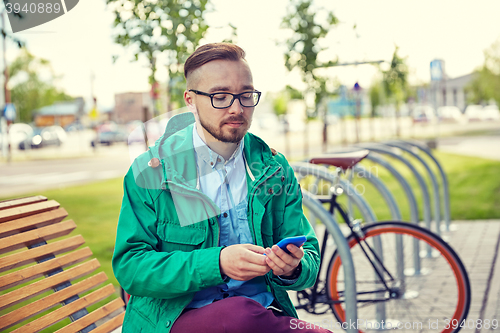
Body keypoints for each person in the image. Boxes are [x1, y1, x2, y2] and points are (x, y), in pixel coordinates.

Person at [112, 43, 331, 333]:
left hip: (259, 314)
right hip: (176, 319)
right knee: (239, 314)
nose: (237, 108)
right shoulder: (151, 171)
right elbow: (131, 267)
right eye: (220, 96)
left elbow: (310, 259)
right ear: (190, 100)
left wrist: (292, 267)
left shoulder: (275, 169)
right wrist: (217, 263)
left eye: (246, 95)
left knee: (244, 315)